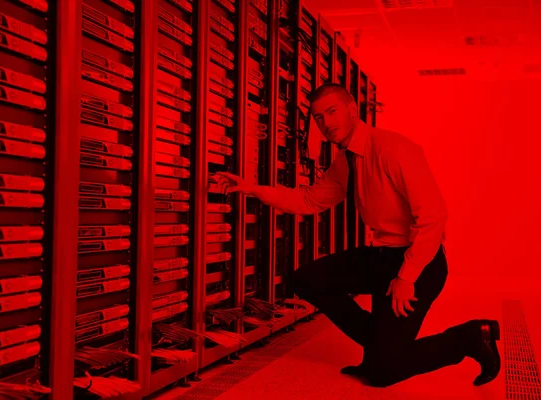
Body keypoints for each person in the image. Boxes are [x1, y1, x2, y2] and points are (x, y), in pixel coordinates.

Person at [212, 83, 501, 388]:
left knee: (383, 373)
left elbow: (433, 216)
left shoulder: (393, 148)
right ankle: (379, 346)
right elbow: (309, 200)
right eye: (319, 117)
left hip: (419, 263)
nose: (326, 123)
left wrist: (406, 277)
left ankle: (470, 337)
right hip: (380, 256)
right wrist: (252, 188)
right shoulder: (346, 160)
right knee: (306, 279)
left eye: (332, 112)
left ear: (352, 110)